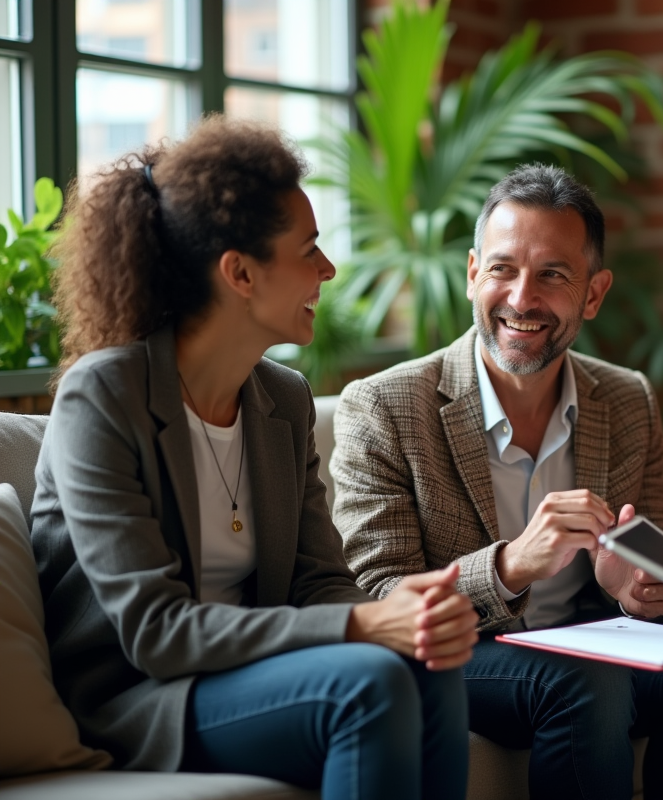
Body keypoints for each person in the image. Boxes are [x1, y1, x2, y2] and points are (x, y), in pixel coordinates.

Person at [32, 117, 478, 800]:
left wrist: (400, 611)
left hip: (251, 676)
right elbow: (154, 631)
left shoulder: (283, 400)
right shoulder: (103, 396)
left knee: (428, 663)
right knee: (370, 682)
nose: (328, 270)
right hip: (137, 697)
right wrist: (360, 626)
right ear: (239, 272)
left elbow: (318, 580)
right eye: (309, 249)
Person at [332, 163, 663, 800]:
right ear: (472, 273)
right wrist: (511, 566)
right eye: (502, 269)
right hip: (459, 656)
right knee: (584, 678)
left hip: (588, 647)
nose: (522, 298)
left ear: (594, 294)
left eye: (553, 275)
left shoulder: (626, 398)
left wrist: (644, 593)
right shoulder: (385, 405)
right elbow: (376, 596)